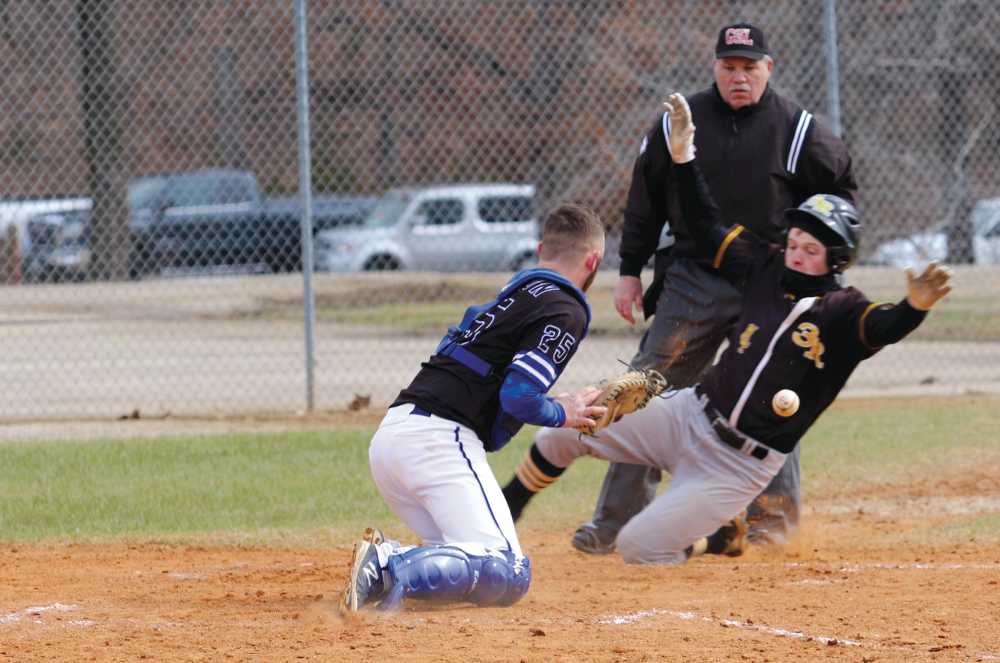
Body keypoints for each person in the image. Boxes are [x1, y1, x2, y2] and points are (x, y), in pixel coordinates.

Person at [502, 93, 951, 565]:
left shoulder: (842, 311)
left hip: (736, 466)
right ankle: (506, 511)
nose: (797, 252)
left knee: (640, 548)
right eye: (795, 240)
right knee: (571, 425)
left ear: (837, 260)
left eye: (811, 248)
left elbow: (884, 326)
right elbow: (706, 223)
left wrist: (914, 306)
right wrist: (683, 157)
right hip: (688, 416)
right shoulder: (766, 267)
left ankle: (718, 539)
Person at [572, 22, 859, 555]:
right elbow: (645, 197)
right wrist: (630, 269)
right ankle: (616, 519)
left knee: (777, 393)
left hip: (770, 280)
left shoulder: (796, 129)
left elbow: (840, 194)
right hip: (695, 275)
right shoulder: (681, 120)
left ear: (769, 68)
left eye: (750, 68)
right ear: (715, 69)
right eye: (729, 67)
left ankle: (771, 524)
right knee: (647, 385)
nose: (739, 77)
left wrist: (821, 263)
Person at [341, 204, 608, 612]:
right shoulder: (564, 308)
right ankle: (386, 562)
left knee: (467, 567)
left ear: (541, 250)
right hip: (438, 443)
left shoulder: (516, 294)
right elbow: (518, 396)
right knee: (507, 570)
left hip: (393, 439)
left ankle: (388, 567)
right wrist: (564, 412)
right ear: (594, 261)